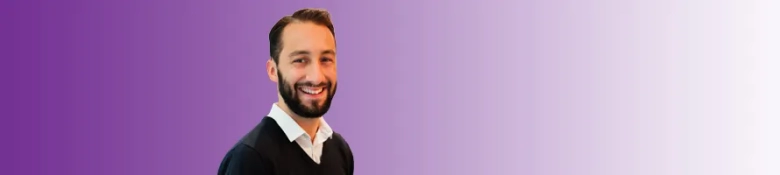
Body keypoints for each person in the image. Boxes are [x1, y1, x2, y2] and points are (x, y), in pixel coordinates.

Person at [218, 8, 353, 175]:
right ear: (273, 70)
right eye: (300, 60)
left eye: (325, 59)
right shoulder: (249, 159)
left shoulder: (340, 150)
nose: (316, 77)